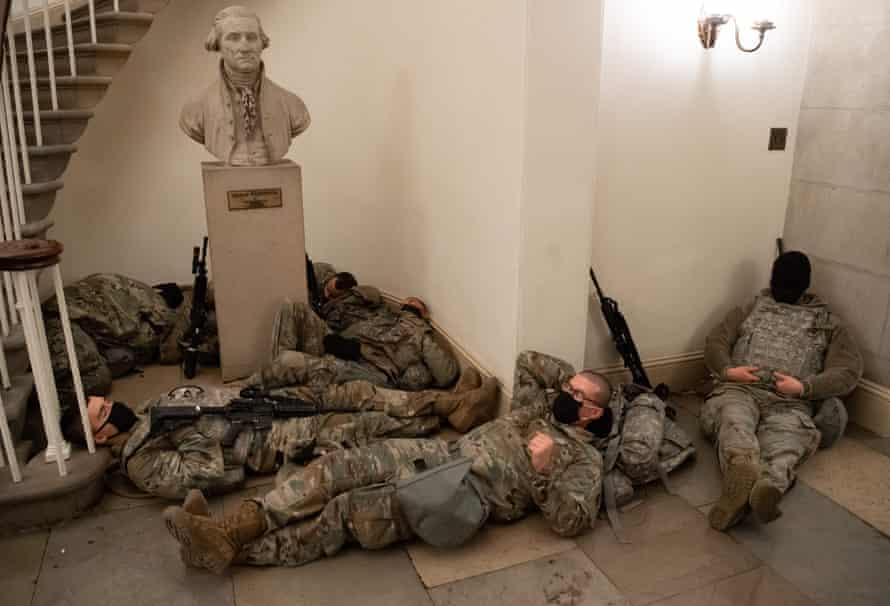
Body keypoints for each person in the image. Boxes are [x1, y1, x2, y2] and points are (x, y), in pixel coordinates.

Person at [162, 350, 693, 573]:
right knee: (332, 469)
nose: (566, 394)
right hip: (437, 453)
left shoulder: (581, 458)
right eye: (571, 388)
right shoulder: (542, 408)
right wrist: (575, 384)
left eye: (578, 395)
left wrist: (547, 467)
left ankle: (230, 551)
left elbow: (571, 521)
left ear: (593, 414)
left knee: (345, 515)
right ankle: (228, 527)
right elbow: (530, 360)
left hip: (459, 494)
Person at [62, 368, 497, 501]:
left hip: (262, 403)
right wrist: (188, 426)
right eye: (101, 411)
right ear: (100, 437)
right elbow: (207, 473)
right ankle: (450, 413)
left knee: (353, 391)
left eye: (101, 400)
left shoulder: (142, 416)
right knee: (365, 425)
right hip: (273, 439)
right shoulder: (142, 461)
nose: (108, 404)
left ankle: (442, 400)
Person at [701, 251, 863, 531]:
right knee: (733, 420)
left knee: (788, 438)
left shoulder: (828, 324)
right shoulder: (751, 308)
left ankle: (766, 486)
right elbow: (716, 341)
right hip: (741, 390)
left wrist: (804, 387)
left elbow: (848, 371)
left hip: (791, 402)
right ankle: (744, 468)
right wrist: (729, 371)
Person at [179, 6, 311, 165]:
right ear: (217, 44)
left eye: (251, 37)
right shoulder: (196, 109)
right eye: (233, 38)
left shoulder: (292, 106)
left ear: (262, 43)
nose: (245, 47)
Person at [263, 295, 460, 397]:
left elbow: (447, 375)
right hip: (341, 345)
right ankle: (279, 371)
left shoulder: (420, 334)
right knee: (292, 308)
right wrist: (338, 340)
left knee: (290, 360)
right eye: (406, 301)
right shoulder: (384, 315)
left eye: (413, 303)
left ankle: (278, 372)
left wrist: (424, 336)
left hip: (367, 368)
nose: (407, 302)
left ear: (423, 314)